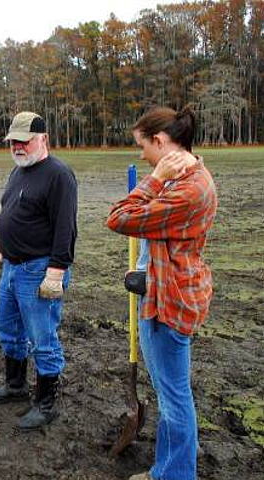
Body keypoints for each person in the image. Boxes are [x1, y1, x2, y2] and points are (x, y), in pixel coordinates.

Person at [106, 107, 217, 480]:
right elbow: (157, 232)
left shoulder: (187, 189)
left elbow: (119, 217)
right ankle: (166, 470)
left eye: (143, 146)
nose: (141, 156)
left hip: (170, 304)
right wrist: (144, 270)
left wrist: (153, 179)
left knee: (174, 400)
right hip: (162, 291)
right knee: (172, 395)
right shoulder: (184, 179)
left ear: (161, 142)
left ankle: (176, 475)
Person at [0, 112, 77, 430]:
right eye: (14, 142)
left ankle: (46, 403)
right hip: (12, 266)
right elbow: (10, 212)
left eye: (24, 141)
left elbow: (66, 228)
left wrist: (56, 272)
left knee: (42, 338)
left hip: (40, 269)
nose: (18, 147)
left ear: (43, 139)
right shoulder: (18, 172)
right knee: (6, 327)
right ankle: (16, 385)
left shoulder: (59, 175)